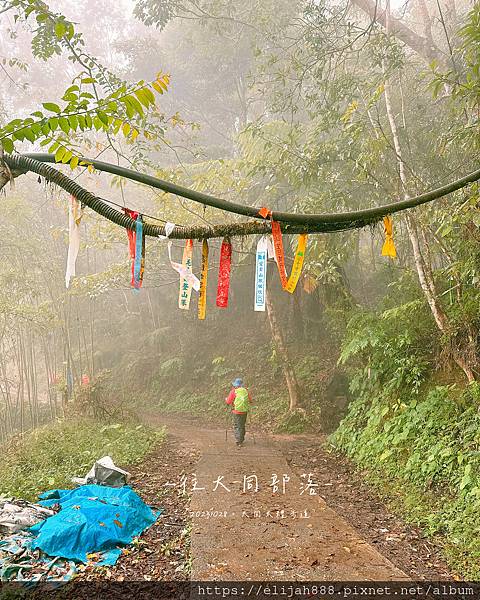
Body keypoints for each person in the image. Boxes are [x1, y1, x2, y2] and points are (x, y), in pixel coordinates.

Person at [225, 377, 253, 447]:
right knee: (242, 425)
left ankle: (239, 440)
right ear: (242, 384)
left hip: (236, 411)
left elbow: (228, 401)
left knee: (237, 425)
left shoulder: (233, 391)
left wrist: (226, 400)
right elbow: (250, 401)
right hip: (244, 411)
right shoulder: (246, 391)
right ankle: (241, 439)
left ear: (235, 385)